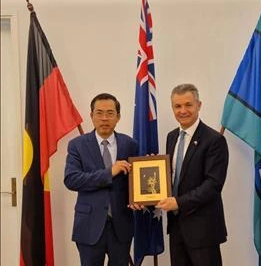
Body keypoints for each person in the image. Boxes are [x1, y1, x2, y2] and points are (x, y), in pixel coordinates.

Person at [156, 83, 229, 266]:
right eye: (177, 106)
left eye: (188, 105)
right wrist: (154, 170)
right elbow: (172, 176)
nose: (183, 111)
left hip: (203, 230)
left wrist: (178, 202)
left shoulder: (214, 140)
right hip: (176, 226)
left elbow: (213, 185)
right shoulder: (171, 137)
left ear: (199, 105)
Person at [64, 93, 138, 266]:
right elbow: (72, 179)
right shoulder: (77, 145)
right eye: (99, 113)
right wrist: (109, 172)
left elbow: (135, 181)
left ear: (118, 117)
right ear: (91, 116)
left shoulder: (130, 144)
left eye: (110, 113)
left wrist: (140, 196)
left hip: (121, 226)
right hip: (89, 225)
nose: (104, 118)